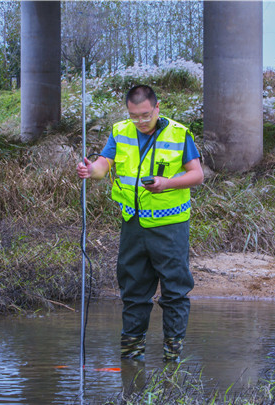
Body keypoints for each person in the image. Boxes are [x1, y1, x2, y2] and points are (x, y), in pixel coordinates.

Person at [77, 85, 204, 362]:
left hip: (170, 226)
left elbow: (197, 175)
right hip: (133, 224)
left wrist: (166, 183)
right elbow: (103, 165)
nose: (140, 121)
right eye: (134, 116)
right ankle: (131, 359)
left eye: (146, 115)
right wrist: (90, 170)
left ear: (157, 108)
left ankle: (172, 358)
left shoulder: (179, 134)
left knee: (175, 292)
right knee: (133, 292)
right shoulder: (120, 131)